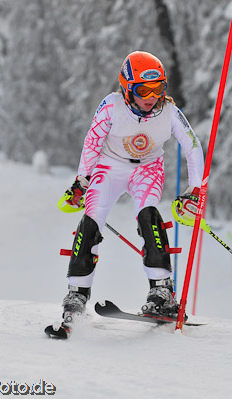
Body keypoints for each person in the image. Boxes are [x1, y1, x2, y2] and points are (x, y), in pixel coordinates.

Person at [54, 51, 205, 330]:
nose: (151, 96)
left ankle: (162, 290)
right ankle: (77, 293)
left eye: (158, 88)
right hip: (109, 167)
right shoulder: (111, 106)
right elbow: (92, 142)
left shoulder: (169, 111)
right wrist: (81, 182)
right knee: (91, 220)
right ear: (127, 89)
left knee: (149, 215)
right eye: (143, 89)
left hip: (147, 168)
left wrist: (195, 190)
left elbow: (193, 147)